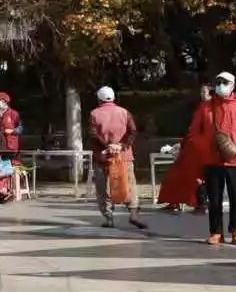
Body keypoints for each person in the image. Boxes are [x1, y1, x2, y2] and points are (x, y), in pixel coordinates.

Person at [188, 71, 236, 246]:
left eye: (225, 82)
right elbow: (194, 133)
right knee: (214, 199)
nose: (221, 85)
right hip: (212, 161)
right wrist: (206, 147)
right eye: (218, 82)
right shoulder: (205, 108)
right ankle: (216, 232)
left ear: (233, 86)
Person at [89, 87, 148, 231]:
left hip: (103, 157)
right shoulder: (124, 112)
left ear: (99, 99)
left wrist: (108, 146)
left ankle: (108, 218)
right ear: (114, 98)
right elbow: (132, 132)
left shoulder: (94, 114)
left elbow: (93, 134)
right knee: (129, 184)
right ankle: (133, 214)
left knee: (103, 188)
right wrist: (121, 146)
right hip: (124, 156)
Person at [157, 84, 214, 213]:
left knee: (195, 177)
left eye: (204, 92)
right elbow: (193, 130)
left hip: (200, 149)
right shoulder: (201, 107)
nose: (202, 94)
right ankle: (174, 201)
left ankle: (200, 204)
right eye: (201, 91)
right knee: (175, 175)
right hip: (190, 147)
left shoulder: (212, 109)